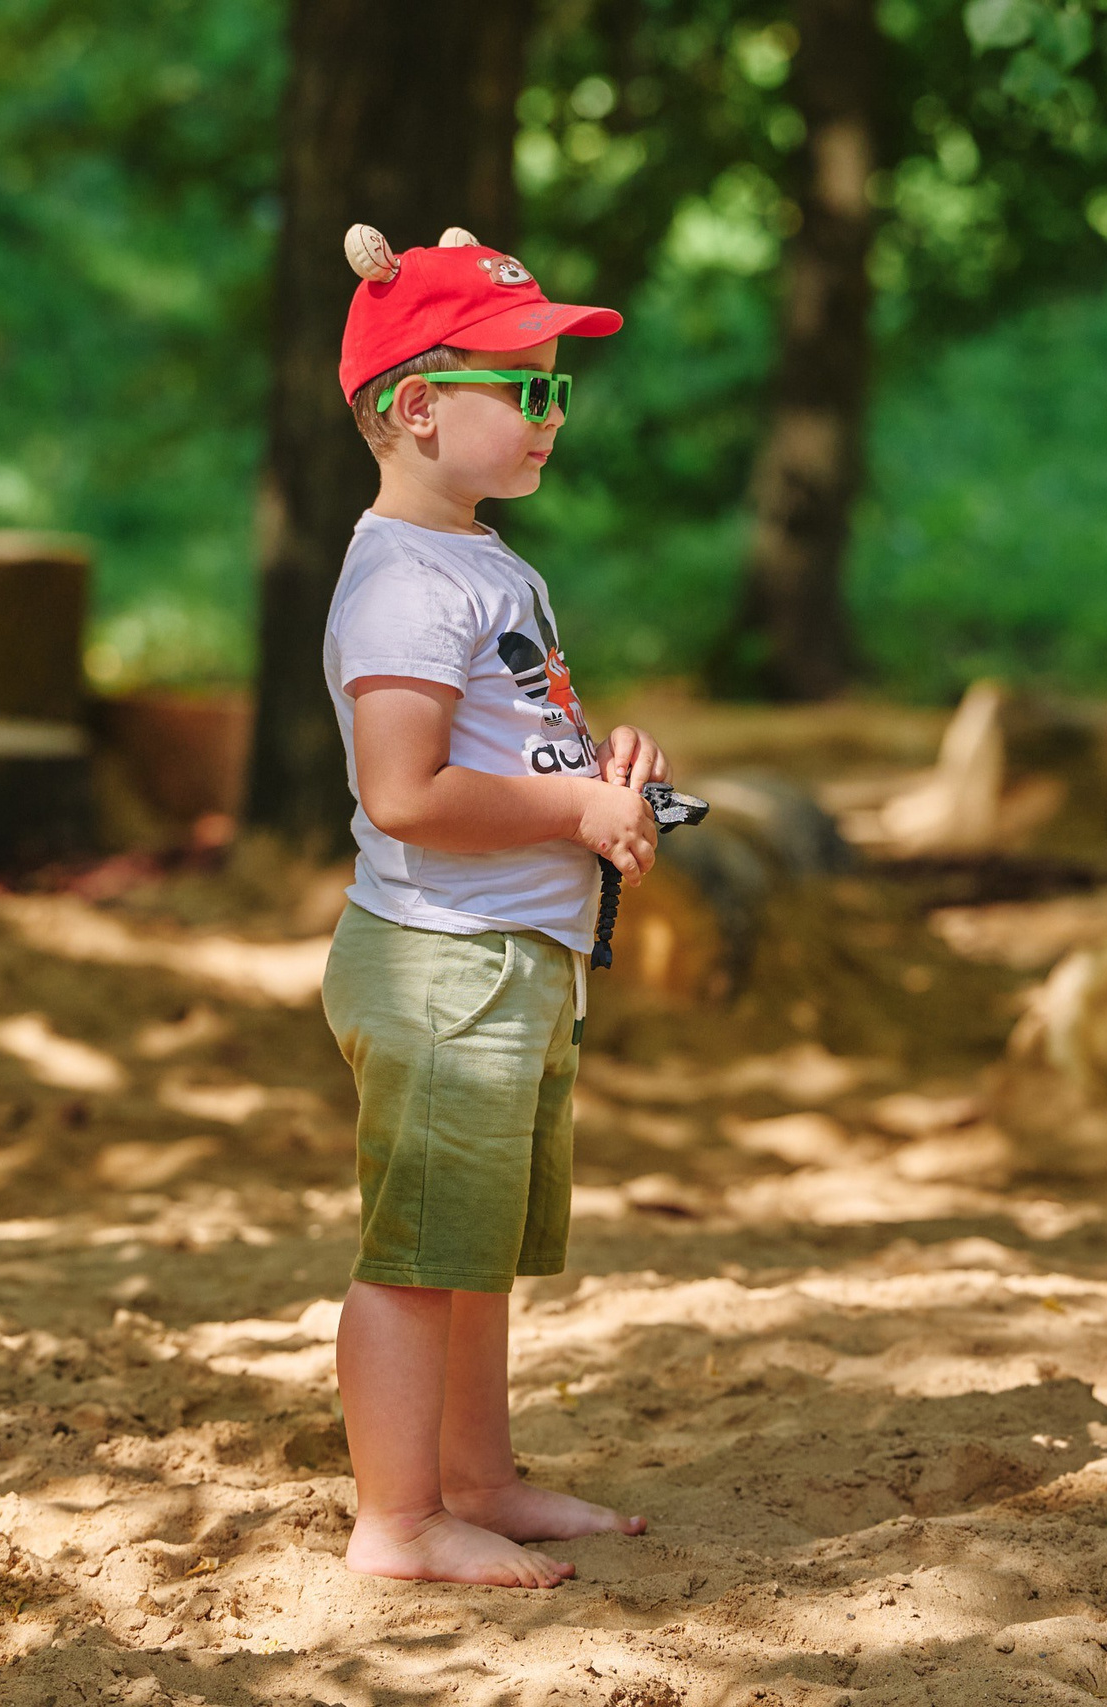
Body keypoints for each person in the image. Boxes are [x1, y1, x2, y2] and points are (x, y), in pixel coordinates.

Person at [318, 225, 661, 1589]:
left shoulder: (485, 562)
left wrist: (601, 773)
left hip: (512, 958)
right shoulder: (400, 580)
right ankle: (397, 1520)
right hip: (442, 965)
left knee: (473, 1249)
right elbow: (404, 791)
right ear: (416, 407)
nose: (552, 416)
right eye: (524, 388)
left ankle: (478, 1478)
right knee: (415, 1255)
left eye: (557, 388)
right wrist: (574, 814)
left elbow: (510, 746)